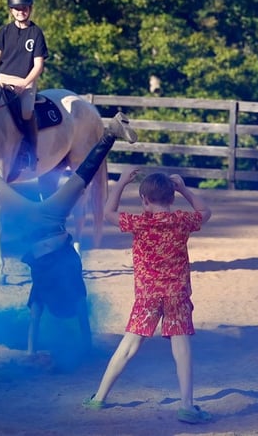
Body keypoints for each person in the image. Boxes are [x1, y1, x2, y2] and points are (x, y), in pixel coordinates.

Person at [0, 112, 137, 356]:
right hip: (42, 218)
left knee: (76, 176)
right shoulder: (59, 294)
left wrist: (36, 354)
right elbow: (55, 323)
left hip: (48, 217)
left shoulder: (60, 293)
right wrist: (43, 353)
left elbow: (55, 324)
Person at [83, 168, 213, 425]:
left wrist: (121, 182)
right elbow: (205, 212)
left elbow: (108, 212)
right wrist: (184, 189)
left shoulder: (139, 223)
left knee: (128, 346)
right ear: (172, 198)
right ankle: (186, 405)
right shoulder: (181, 220)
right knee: (181, 348)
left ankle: (99, 397)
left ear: (144, 200)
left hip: (147, 296)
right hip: (176, 294)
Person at [0, 0, 48, 170]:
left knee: (26, 112)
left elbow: (38, 66)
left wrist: (25, 84)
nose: (21, 11)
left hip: (25, 83)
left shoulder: (36, 33)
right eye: (17, 8)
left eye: (24, 8)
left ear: (30, 9)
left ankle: (31, 153)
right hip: (2, 81)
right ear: (11, 10)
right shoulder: (4, 31)